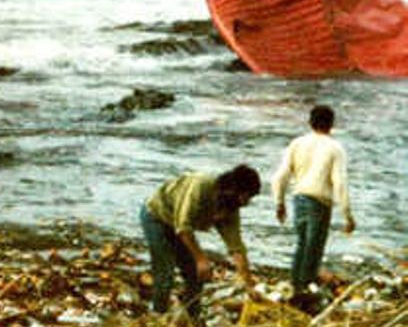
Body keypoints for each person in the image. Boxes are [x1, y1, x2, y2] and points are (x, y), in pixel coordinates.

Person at [139, 164, 260, 320]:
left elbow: (237, 248)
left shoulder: (231, 209)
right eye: (246, 196)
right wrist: (201, 259)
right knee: (165, 271)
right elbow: (183, 226)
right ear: (234, 189)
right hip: (156, 216)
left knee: (195, 275)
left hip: (179, 227)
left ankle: (192, 317)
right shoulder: (201, 185)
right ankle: (158, 315)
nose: (246, 203)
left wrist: (248, 284)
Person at [271, 105, 355, 310]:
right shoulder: (335, 148)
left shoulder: (297, 143)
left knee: (301, 246)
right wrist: (347, 215)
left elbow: (280, 176)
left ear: (310, 122)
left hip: (298, 198)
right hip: (319, 202)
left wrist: (279, 203)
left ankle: (296, 287)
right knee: (313, 250)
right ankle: (303, 294)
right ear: (331, 125)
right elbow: (340, 183)